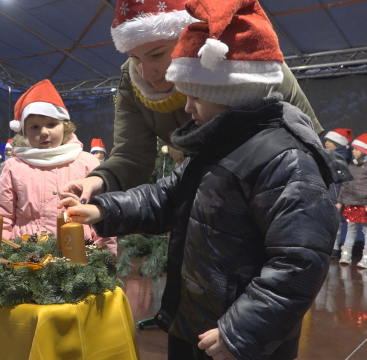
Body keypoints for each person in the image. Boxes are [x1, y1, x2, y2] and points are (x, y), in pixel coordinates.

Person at [63, 1, 346, 358]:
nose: (186, 107)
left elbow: (298, 262)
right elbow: (167, 195)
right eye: (135, 60)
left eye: (196, 95)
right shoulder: (211, 144)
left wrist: (241, 332)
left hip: (241, 333)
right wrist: (104, 207)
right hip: (198, 315)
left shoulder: (284, 157)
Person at [61, 0, 323, 203]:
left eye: (156, 55)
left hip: (270, 196)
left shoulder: (249, 61)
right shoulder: (132, 82)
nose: (145, 72)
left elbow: (308, 139)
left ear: (191, 36)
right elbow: (132, 155)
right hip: (203, 197)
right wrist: (99, 181)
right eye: (135, 58)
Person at [0, 80, 116, 255]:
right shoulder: (14, 166)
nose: (43, 132)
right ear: (25, 131)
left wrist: (106, 254)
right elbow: (1, 215)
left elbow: (102, 212)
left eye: (51, 124)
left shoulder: (87, 163)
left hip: (79, 253)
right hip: (25, 255)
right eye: (34, 127)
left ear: (64, 126)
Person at [338, 133, 367, 268]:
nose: (353, 151)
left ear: (364, 151)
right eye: (353, 149)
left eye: (356, 149)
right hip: (351, 203)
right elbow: (345, 183)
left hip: (365, 204)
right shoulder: (352, 165)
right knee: (351, 228)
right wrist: (340, 200)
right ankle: (346, 253)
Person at [324, 128, 354, 258]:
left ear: (338, 143)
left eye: (330, 141)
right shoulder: (328, 154)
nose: (326, 143)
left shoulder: (342, 157)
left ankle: (334, 248)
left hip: (335, 194)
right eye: (326, 140)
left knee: (334, 221)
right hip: (327, 191)